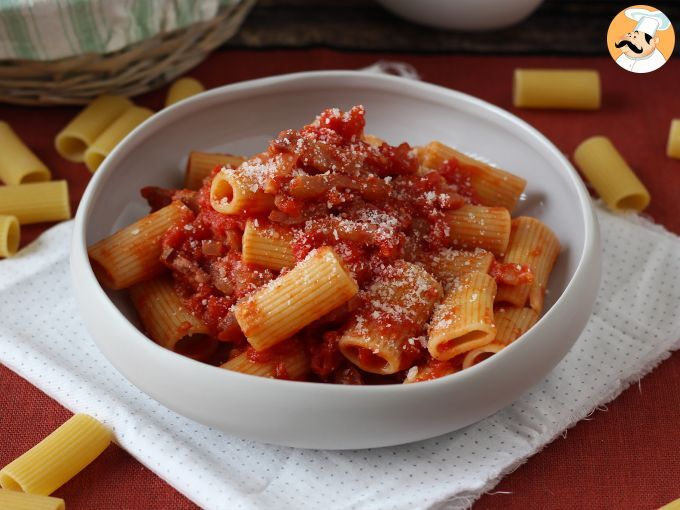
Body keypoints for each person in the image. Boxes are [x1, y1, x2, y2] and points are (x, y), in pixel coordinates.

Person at [614, 8, 672, 73]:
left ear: (653, 41)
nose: (629, 41)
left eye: (635, 37)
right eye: (629, 35)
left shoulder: (658, 62)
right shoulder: (623, 58)